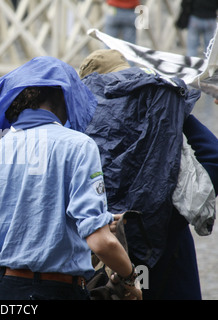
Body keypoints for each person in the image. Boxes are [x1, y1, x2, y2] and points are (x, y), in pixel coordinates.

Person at [0, 63, 141, 300]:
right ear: (65, 95)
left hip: (2, 288)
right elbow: (101, 242)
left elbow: (3, 223)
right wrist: (128, 278)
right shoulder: (79, 145)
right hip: (56, 290)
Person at [79, 49, 218, 299]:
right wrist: (176, 114)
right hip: (171, 262)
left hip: (106, 267)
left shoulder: (80, 145)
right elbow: (214, 158)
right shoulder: (163, 145)